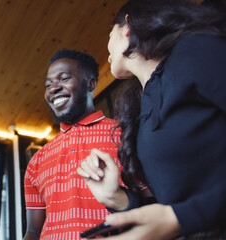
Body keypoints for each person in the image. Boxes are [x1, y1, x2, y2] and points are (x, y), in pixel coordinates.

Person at [77, 0, 226, 239]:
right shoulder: (141, 108)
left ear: (127, 26)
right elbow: (169, 212)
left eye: (108, 34)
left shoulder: (195, 51)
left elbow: (180, 215)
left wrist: (181, 218)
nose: (106, 48)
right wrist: (115, 197)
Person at [23, 48, 122, 240]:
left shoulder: (124, 135)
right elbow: (33, 232)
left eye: (64, 78)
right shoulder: (37, 160)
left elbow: (153, 205)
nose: (53, 88)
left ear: (91, 83)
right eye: (48, 84)